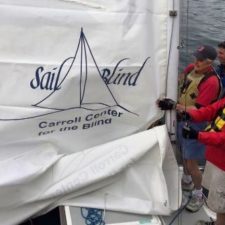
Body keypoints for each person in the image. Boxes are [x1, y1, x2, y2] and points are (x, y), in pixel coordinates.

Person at [158, 45, 221, 212]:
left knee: (192, 162)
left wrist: (174, 106)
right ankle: (186, 180)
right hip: (180, 118)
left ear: (210, 62)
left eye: (201, 60)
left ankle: (198, 194)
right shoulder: (190, 68)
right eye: (196, 58)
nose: (196, 62)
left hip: (195, 124)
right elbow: (178, 81)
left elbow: (200, 111)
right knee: (184, 155)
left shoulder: (211, 82)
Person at [181, 97, 225, 225]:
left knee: (221, 204)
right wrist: (189, 114)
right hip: (214, 159)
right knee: (216, 201)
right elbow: (210, 110)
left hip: (222, 167)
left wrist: (198, 135)